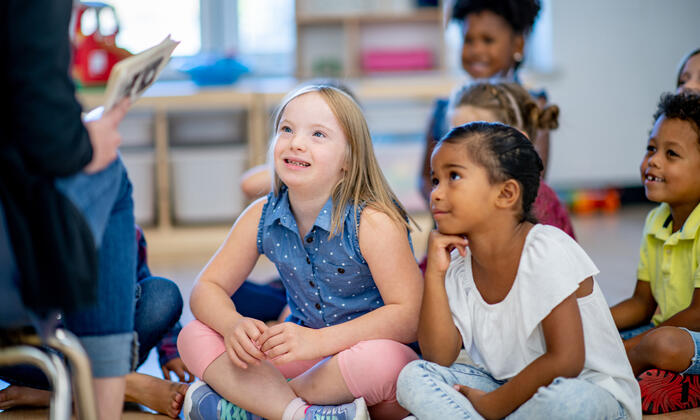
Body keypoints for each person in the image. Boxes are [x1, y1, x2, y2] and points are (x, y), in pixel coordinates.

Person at [177, 85, 423, 420]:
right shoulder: (261, 216)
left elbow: (408, 317)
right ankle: (298, 413)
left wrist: (317, 343)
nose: (296, 142)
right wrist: (233, 325)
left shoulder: (372, 221)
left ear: (349, 159)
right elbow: (207, 288)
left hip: (363, 359)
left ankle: (255, 406)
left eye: (318, 134)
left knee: (388, 362)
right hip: (305, 362)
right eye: (287, 129)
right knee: (194, 334)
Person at [396, 122, 641, 419]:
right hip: (503, 386)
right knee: (414, 375)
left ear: (506, 194)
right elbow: (438, 356)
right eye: (435, 180)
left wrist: (494, 405)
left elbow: (566, 360)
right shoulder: (459, 262)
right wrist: (435, 274)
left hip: (585, 391)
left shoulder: (545, 248)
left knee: (572, 402)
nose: (435, 193)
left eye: (454, 177)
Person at [0, 225, 193, 417]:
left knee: (164, 294)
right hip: (37, 345)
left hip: (103, 345)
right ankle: (123, 386)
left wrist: (170, 350)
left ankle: (57, 391)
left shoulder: (121, 227)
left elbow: (142, 278)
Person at [609, 92, 700, 414]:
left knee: (662, 345)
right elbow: (641, 302)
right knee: (592, 335)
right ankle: (626, 364)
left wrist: (632, 346)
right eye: (651, 148)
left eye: (671, 154)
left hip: (686, 341)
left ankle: (621, 369)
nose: (654, 161)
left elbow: (698, 314)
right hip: (659, 333)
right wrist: (594, 320)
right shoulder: (656, 218)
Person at [420, 0, 546, 203]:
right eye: (468, 40)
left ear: (518, 44)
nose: (476, 50)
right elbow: (425, 177)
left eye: (488, 40)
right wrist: (446, 205)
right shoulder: (443, 109)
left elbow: (536, 181)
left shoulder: (532, 108)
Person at [446, 81, 574, 237]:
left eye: (475, 140)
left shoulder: (537, 202)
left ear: (516, 140)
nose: (460, 151)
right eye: (453, 137)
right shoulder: (463, 192)